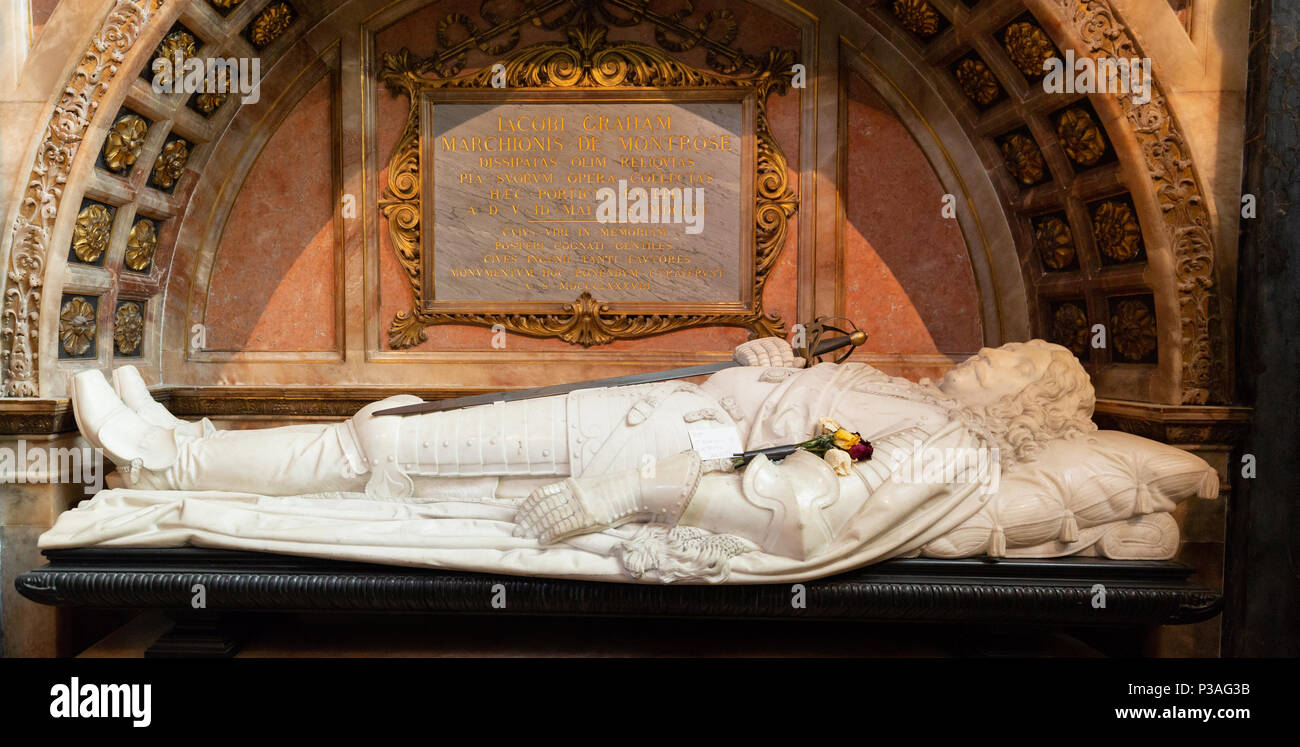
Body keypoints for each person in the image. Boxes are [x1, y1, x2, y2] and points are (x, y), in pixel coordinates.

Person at [70, 338, 1095, 560]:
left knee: (382, 456)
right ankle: (179, 444)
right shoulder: (914, 411)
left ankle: (175, 463)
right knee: (392, 441)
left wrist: (629, 493)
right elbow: (814, 442)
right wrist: (772, 372)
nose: (996, 347)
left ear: (1028, 398)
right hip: (649, 421)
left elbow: (800, 505)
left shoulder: (952, 452)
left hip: (628, 451)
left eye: (1021, 356)